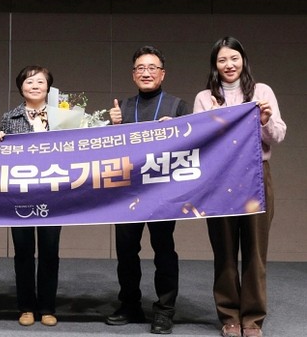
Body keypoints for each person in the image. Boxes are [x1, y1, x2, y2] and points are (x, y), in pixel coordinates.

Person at [193, 37, 286, 337]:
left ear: (243, 60)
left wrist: (264, 121)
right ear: (215, 64)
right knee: (224, 249)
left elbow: (278, 136)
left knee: (255, 250)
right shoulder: (205, 98)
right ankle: (229, 316)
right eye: (222, 60)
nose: (229, 65)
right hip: (219, 179)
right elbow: (198, 141)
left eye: (234, 58)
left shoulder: (262, 92)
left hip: (256, 175)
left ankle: (253, 319)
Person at [106, 46, 189, 334]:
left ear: (162, 74)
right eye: (140, 68)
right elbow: (106, 151)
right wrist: (111, 125)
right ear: (133, 74)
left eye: (152, 68)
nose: (146, 73)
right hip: (126, 192)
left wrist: (178, 127)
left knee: (164, 249)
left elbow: (192, 143)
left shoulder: (178, 106)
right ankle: (130, 305)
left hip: (162, 192)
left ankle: (164, 311)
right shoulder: (122, 107)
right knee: (126, 250)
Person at [0, 65, 61, 327]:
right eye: (29, 82)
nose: (35, 86)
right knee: (22, 251)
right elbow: (0, 155)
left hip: (53, 193)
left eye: (40, 81)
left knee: (50, 251)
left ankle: (47, 308)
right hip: (20, 194)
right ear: (21, 87)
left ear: (48, 87)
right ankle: (26, 307)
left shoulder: (62, 116)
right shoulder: (9, 118)